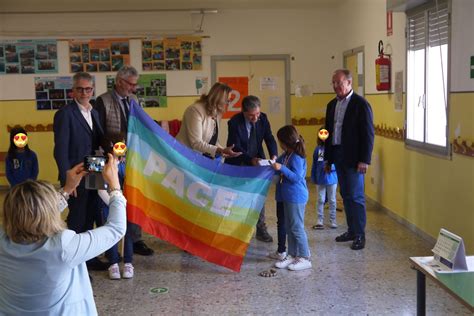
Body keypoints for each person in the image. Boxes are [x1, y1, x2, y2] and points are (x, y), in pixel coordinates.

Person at [0, 155, 126, 315]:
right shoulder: (64, 247)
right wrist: (115, 186)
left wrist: (67, 189)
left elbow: (34, 217)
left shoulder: (2, 241)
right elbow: (116, 229)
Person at [95, 65, 153, 256]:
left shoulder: (134, 100)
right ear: (119, 81)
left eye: (135, 84)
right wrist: (114, 151)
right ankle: (110, 245)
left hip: (132, 160)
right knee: (108, 201)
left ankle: (135, 240)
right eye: (130, 84)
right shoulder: (102, 101)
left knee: (133, 198)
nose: (133, 88)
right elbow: (99, 132)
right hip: (109, 160)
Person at [53, 72, 108, 270]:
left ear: (92, 90)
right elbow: (60, 149)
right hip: (76, 174)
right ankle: (75, 263)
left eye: (88, 89)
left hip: (95, 168)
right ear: (73, 91)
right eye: (80, 89)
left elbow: (99, 141)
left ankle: (89, 258)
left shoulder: (94, 112)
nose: (84, 92)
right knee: (78, 216)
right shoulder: (65, 114)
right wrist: (66, 179)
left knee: (93, 212)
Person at [324, 69, 374, 250]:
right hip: (337, 155)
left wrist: (364, 160)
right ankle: (351, 230)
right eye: (334, 83)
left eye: (339, 82)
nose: (336, 86)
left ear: (349, 82)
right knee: (345, 195)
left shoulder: (361, 105)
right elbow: (327, 134)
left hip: (354, 159)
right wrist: (327, 159)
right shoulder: (331, 105)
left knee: (356, 196)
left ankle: (360, 234)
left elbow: (368, 135)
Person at [226, 95, 277, 243]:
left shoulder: (263, 118)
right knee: (238, 198)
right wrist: (250, 159)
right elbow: (235, 146)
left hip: (258, 162)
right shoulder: (234, 122)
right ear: (243, 112)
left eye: (257, 114)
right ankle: (236, 232)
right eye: (251, 115)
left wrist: (273, 155)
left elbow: (269, 138)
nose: (255, 118)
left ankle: (261, 229)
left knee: (258, 195)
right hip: (239, 162)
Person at [272, 125, 311, 271]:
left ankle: (305, 257)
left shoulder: (297, 157)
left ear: (284, 142)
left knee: (297, 227)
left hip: (296, 196)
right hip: (287, 196)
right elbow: (279, 162)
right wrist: (275, 162)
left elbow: (296, 177)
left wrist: (281, 168)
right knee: (289, 227)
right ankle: (293, 255)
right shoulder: (287, 154)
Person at [176, 82, 241, 159]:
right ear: (219, 99)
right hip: (184, 156)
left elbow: (212, 140)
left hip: (199, 157)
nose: (228, 103)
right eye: (227, 100)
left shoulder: (216, 111)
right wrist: (219, 150)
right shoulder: (195, 110)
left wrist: (222, 150)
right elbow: (196, 143)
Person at [100, 159, 135, 279]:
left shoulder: (131, 163)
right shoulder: (104, 165)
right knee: (111, 233)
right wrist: (115, 204)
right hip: (109, 204)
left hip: (128, 204)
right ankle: (113, 263)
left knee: (128, 232)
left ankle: (128, 262)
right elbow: (101, 189)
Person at [311, 126, 338, 230]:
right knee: (320, 199)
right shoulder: (318, 150)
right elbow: (316, 163)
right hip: (320, 178)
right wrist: (313, 176)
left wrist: (331, 167)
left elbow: (337, 163)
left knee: (332, 199)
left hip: (332, 179)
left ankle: (333, 220)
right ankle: (320, 220)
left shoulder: (334, 150)